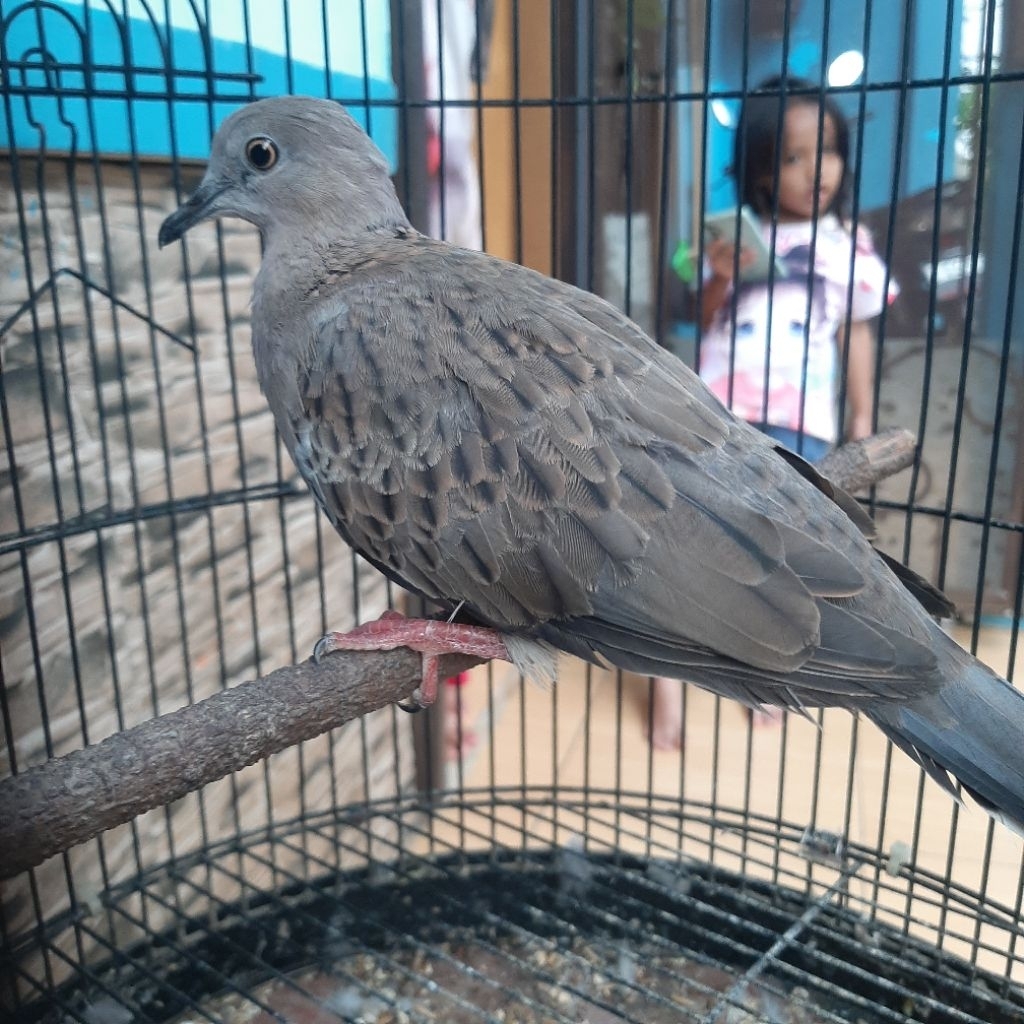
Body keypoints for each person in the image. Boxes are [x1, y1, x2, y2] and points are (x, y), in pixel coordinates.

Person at [649, 76, 898, 750]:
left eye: (829, 152)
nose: (817, 171)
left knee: (780, 557)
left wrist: (862, 417)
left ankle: (771, 680)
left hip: (800, 422)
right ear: (760, 167)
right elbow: (696, 321)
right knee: (685, 536)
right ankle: (663, 680)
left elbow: (860, 333)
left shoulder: (851, 247)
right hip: (713, 416)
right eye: (793, 157)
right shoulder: (733, 236)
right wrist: (722, 275)